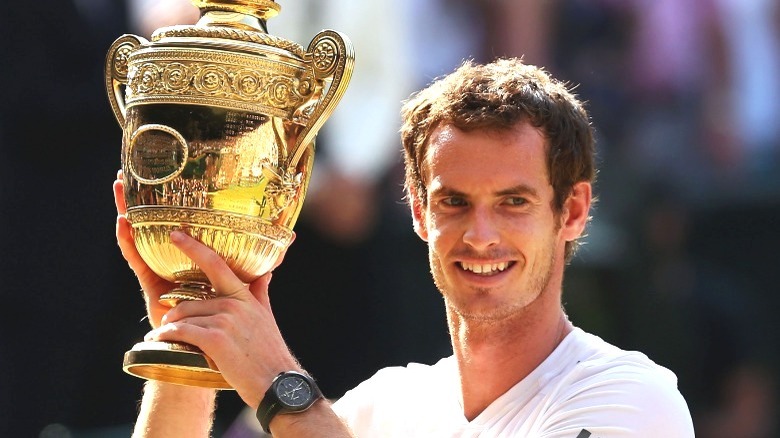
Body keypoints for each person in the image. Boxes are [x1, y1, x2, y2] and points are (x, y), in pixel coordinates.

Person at [114, 58, 694, 437]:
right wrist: (188, 333)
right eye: (455, 201)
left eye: (513, 202)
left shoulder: (633, 400)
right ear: (418, 210)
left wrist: (277, 381)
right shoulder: (379, 409)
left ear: (570, 211)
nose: (481, 234)